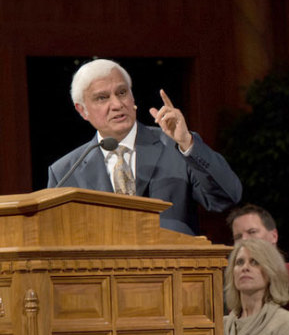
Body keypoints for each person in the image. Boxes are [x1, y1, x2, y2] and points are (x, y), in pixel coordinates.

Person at [47, 59, 242, 235]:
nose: (117, 104)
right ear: (82, 111)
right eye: (102, 98)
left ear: (132, 98)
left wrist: (187, 143)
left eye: (122, 93)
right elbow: (56, 238)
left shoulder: (175, 145)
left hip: (174, 269)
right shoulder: (65, 172)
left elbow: (226, 197)